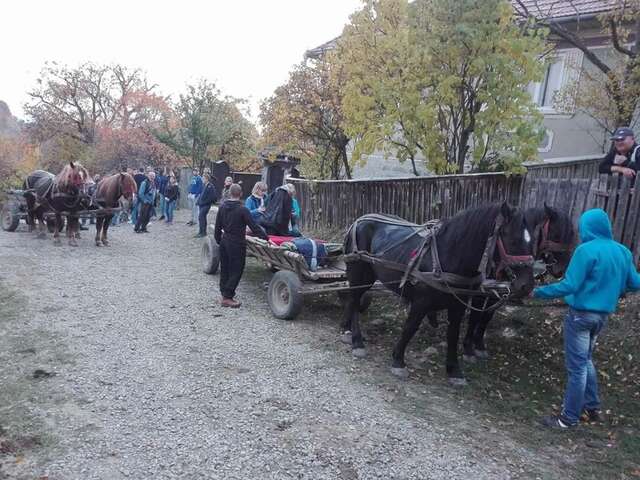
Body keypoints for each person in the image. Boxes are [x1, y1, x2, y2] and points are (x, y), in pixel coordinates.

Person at [533, 208, 640, 429]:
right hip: (601, 318)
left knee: (577, 368)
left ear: (586, 227)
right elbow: (635, 283)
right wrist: (616, 286)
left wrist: (538, 292)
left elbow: (569, 285)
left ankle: (567, 418)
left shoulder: (585, 251)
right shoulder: (623, 252)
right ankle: (592, 408)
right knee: (586, 360)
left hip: (580, 317)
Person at [214, 184, 268, 308]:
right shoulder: (242, 209)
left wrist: (219, 240)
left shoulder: (222, 207)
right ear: (241, 194)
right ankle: (227, 297)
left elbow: (217, 227)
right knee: (237, 269)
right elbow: (254, 226)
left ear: (230, 193)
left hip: (225, 241)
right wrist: (266, 238)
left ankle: (224, 294)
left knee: (225, 268)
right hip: (237, 243)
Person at [195, 174, 218, 238]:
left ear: (206, 179)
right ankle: (200, 231)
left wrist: (204, 202)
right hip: (201, 204)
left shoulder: (210, 186)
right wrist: (198, 202)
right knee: (200, 218)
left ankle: (203, 232)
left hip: (206, 205)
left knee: (202, 217)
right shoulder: (204, 185)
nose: (202, 180)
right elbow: (201, 195)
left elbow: (212, 197)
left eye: (203, 178)